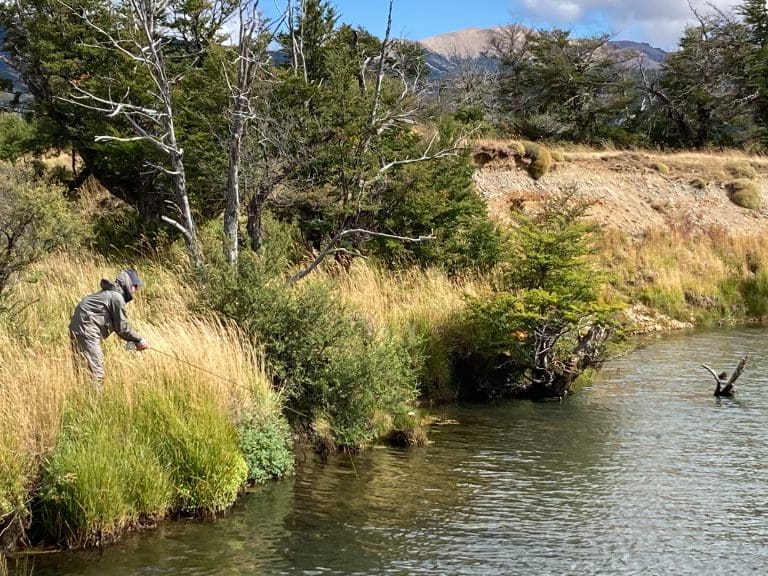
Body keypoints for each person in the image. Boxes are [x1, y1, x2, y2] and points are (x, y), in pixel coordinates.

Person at [69, 268, 149, 387]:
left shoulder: (109, 295)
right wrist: (140, 340)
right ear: (128, 284)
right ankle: (94, 404)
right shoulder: (116, 298)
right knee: (96, 374)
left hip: (79, 330)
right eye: (135, 286)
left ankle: (83, 400)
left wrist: (132, 344)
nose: (136, 290)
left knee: (83, 372)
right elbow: (123, 328)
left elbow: (118, 329)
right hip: (87, 331)